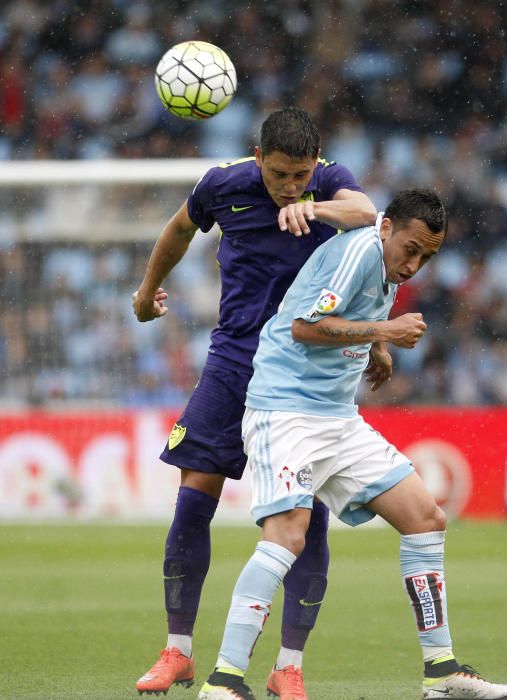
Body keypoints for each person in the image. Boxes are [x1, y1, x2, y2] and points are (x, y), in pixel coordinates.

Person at [198, 189, 507, 700]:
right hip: (287, 412)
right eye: (410, 249)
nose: (413, 265)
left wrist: (378, 345)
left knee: (425, 517)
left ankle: (441, 672)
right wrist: (384, 329)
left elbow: (359, 309)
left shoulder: (387, 263)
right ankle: (224, 681)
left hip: (337, 419)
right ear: (386, 227)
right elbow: (305, 327)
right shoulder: (359, 251)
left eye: (427, 257)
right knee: (287, 535)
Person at [133, 106, 377, 697]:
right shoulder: (224, 183)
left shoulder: (329, 186)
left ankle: (288, 665)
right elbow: (179, 229)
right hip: (235, 362)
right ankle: (177, 652)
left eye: (299, 175)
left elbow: (370, 215)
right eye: (277, 176)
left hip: (304, 375)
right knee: (194, 499)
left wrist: (311, 206)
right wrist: (145, 293)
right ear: (258, 158)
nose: (288, 186)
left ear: (315, 163)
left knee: (307, 516)